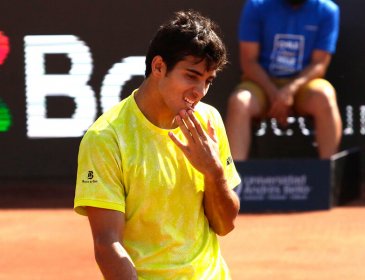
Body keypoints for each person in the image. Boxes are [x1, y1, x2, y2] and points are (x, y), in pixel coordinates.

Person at [74, 10, 241, 279]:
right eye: (191, 76)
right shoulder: (106, 138)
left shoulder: (209, 121)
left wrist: (213, 171)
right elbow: (107, 244)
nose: (199, 91)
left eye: (207, 80)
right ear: (159, 67)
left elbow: (224, 225)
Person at [225, 0, 342, 161]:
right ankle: (232, 182)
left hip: (303, 85)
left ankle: (331, 178)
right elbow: (248, 61)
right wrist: (274, 93)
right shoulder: (257, 5)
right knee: (240, 102)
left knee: (325, 96)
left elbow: (319, 63)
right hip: (261, 84)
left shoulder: (327, 10)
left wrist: (290, 90)